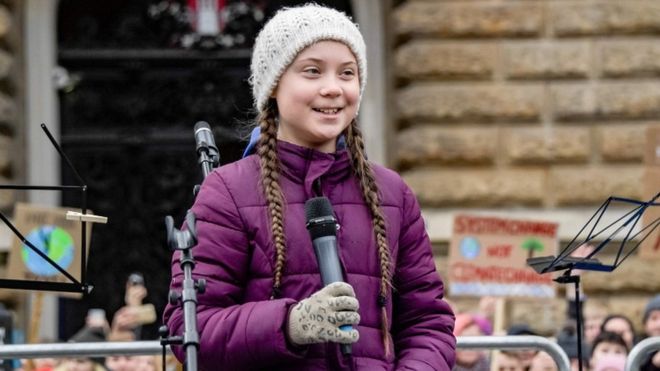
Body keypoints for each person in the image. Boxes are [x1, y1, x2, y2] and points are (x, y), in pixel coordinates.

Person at [163, 4, 456, 370]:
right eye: (312, 72)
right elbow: (189, 326)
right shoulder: (228, 192)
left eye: (347, 74)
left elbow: (428, 324)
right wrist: (290, 324)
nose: (333, 88)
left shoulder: (392, 193)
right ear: (274, 86)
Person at [641, 294, 660, 371]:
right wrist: (653, 366)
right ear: (645, 324)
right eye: (654, 318)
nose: (659, 324)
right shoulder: (638, 352)